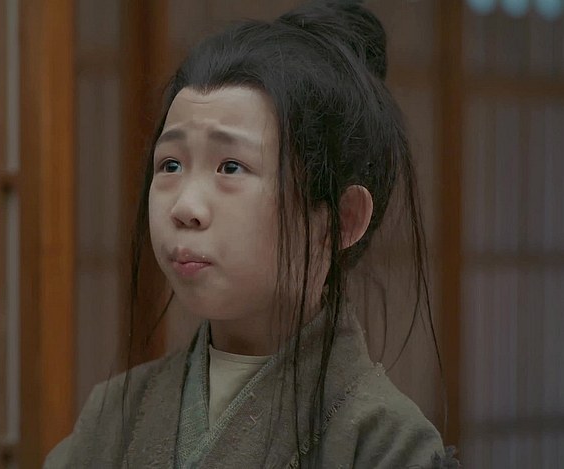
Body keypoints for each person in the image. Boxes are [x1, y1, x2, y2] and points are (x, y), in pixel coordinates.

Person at [47, 1, 460, 467]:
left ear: (341, 219)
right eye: (171, 165)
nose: (185, 207)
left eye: (230, 167)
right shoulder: (114, 413)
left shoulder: (387, 443)